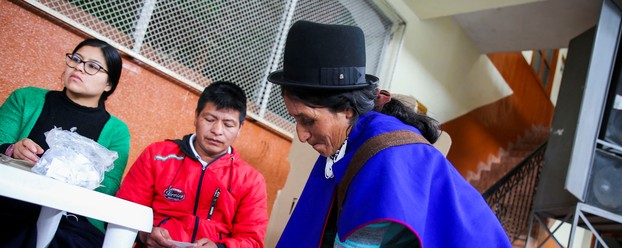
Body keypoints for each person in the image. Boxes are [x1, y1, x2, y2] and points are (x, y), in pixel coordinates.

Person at [266, 20, 511, 247]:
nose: (302, 135)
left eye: (307, 120)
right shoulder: (347, 141)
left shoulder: (384, 158)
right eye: (295, 119)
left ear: (347, 110)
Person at [0, 38, 130, 247]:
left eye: (92, 66)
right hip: (11, 199)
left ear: (109, 84)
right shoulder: (26, 98)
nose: (79, 67)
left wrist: (73, 176)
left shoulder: (117, 131)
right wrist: (12, 149)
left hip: (72, 219)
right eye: (76, 59)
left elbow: (109, 185)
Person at [116, 81, 268, 248]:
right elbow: (125, 211)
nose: (217, 130)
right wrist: (144, 235)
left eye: (228, 124)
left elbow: (252, 240)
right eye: (210, 119)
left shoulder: (251, 181)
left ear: (240, 128)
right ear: (196, 117)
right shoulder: (158, 156)